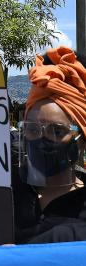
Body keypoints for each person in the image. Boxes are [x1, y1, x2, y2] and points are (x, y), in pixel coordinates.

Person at [13, 46, 86, 244]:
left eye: (57, 131)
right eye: (33, 130)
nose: (41, 141)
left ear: (81, 141)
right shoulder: (4, 191)